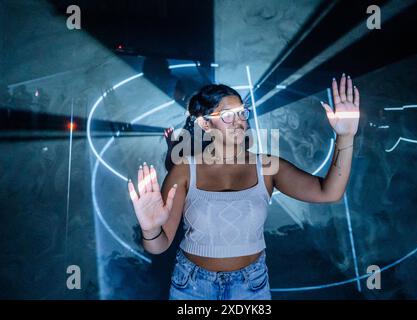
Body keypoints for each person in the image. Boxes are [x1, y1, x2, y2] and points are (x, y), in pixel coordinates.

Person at [128, 75, 360, 300]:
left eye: (242, 112)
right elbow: (159, 246)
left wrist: (346, 136)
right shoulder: (185, 170)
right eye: (228, 115)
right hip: (192, 286)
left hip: (251, 286)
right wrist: (150, 229)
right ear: (205, 124)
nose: (239, 120)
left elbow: (329, 192)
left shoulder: (268, 166)